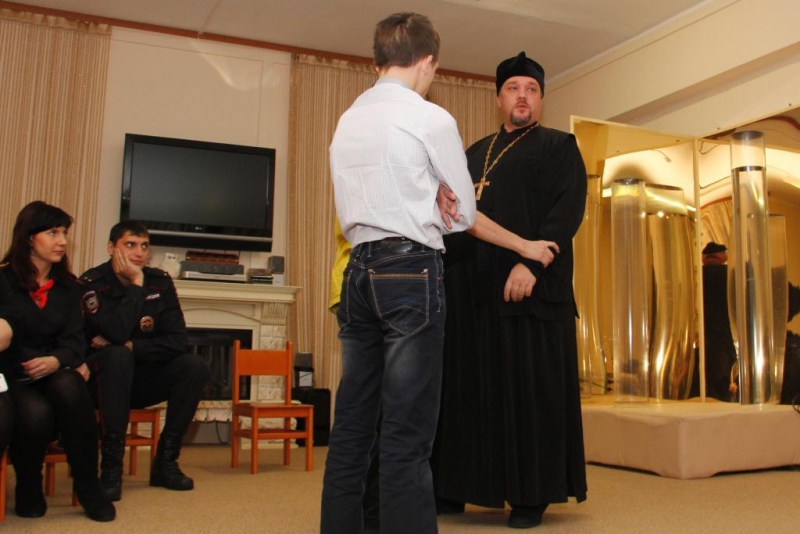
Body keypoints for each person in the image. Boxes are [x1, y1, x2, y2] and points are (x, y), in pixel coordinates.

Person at [320, 12, 478, 534]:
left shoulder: (347, 119)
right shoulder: (431, 118)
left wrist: (427, 193)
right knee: (406, 436)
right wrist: (438, 195)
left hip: (357, 271)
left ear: (380, 59)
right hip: (410, 269)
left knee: (352, 427)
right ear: (427, 61)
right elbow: (467, 215)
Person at [433, 52, 589, 529]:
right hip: (472, 293)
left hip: (530, 290)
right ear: (499, 98)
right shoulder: (473, 153)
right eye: (513, 88)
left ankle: (529, 495)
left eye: (532, 89)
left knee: (528, 395)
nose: (523, 96)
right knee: (469, 393)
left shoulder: (560, 146)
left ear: (541, 99)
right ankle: (458, 485)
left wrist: (531, 264)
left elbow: (566, 212)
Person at [0, 201, 116, 522]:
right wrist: (33, 361)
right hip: (13, 377)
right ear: (29, 237)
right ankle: (28, 485)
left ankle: (88, 486)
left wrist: (54, 360)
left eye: (65, 233)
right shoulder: (3, 280)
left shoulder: (69, 287)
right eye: (53, 233)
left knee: (70, 384)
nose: (62, 241)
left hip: (53, 372)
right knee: (35, 412)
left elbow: (75, 342)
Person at [80, 220, 210, 501]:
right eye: (130, 245)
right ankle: (111, 468)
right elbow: (115, 332)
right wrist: (136, 285)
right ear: (111, 248)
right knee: (116, 357)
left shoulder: (160, 282)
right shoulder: (93, 284)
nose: (139, 252)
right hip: (102, 385)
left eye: (144, 246)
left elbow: (178, 341)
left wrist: (131, 345)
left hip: (142, 380)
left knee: (194, 366)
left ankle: (165, 462)